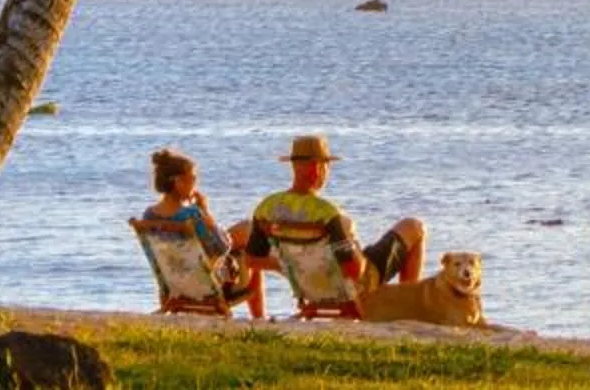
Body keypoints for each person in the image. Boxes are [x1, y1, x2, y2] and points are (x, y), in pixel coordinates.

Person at [244, 133, 424, 289]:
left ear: (293, 166)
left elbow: (251, 260)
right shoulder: (326, 213)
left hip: (309, 285)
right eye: (325, 165)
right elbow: (354, 271)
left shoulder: (266, 208)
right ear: (317, 169)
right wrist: (354, 248)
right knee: (414, 227)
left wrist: (289, 265)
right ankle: (406, 296)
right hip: (355, 285)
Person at [142, 147, 264, 318]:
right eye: (193, 178)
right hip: (204, 286)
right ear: (178, 182)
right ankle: (259, 317)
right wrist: (206, 212)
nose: (195, 184)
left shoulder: (148, 215)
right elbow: (222, 246)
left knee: (246, 230)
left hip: (174, 284)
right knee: (250, 243)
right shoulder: (192, 215)